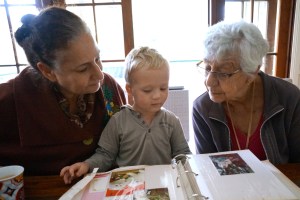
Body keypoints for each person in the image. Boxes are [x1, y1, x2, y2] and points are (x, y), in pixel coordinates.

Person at [0, 7, 126, 176]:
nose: (99, 74)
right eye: (82, 69)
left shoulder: (108, 86)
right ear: (47, 71)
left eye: (97, 58)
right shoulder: (8, 101)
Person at [60, 46, 191, 184]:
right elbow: (105, 155)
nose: (157, 96)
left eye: (163, 88)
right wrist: (86, 165)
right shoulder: (118, 121)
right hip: (128, 188)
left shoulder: (172, 121)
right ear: (129, 89)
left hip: (163, 185)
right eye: (147, 90)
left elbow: (183, 155)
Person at [192, 20, 300, 164]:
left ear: (253, 71)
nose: (209, 82)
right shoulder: (202, 108)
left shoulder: (290, 98)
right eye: (207, 67)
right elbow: (207, 170)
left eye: (224, 72)